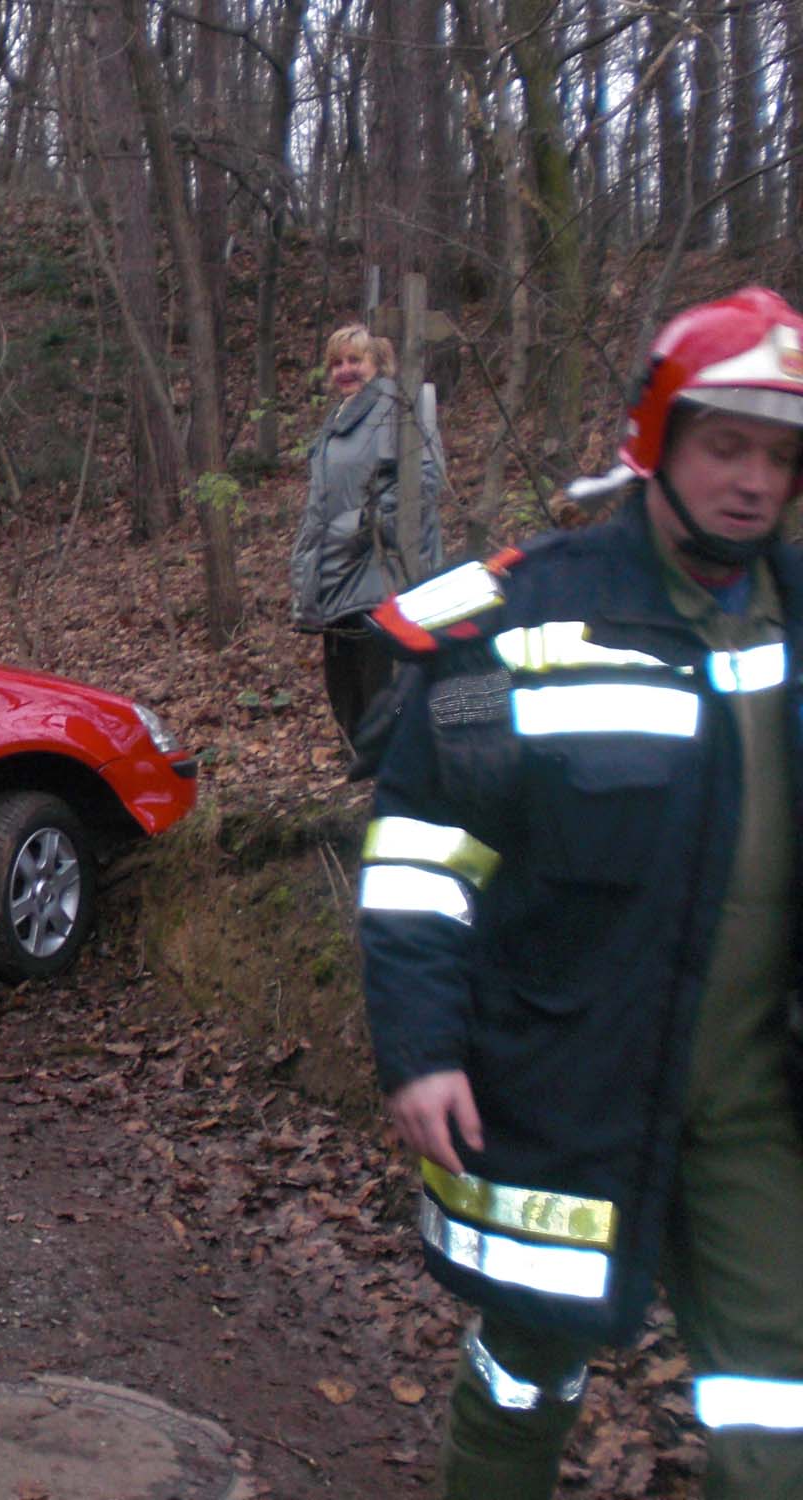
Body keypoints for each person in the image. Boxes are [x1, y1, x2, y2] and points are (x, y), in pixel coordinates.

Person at [355, 286, 803, 1498]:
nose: (752, 481)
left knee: (781, 1406)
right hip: (560, 1079)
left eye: (778, 455)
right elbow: (419, 853)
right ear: (656, 440)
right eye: (724, 444)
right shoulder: (523, 616)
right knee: (522, 1380)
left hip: (753, 1101)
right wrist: (418, 1046)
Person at [289, 323, 444, 743]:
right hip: (338, 574)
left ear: (377, 362)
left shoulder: (397, 408)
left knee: (380, 691)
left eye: (354, 360)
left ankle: (386, 780)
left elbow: (423, 483)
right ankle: (358, 779)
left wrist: (360, 527)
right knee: (345, 693)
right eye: (336, 362)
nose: (345, 370)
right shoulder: (339, 419)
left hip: (380, 572)